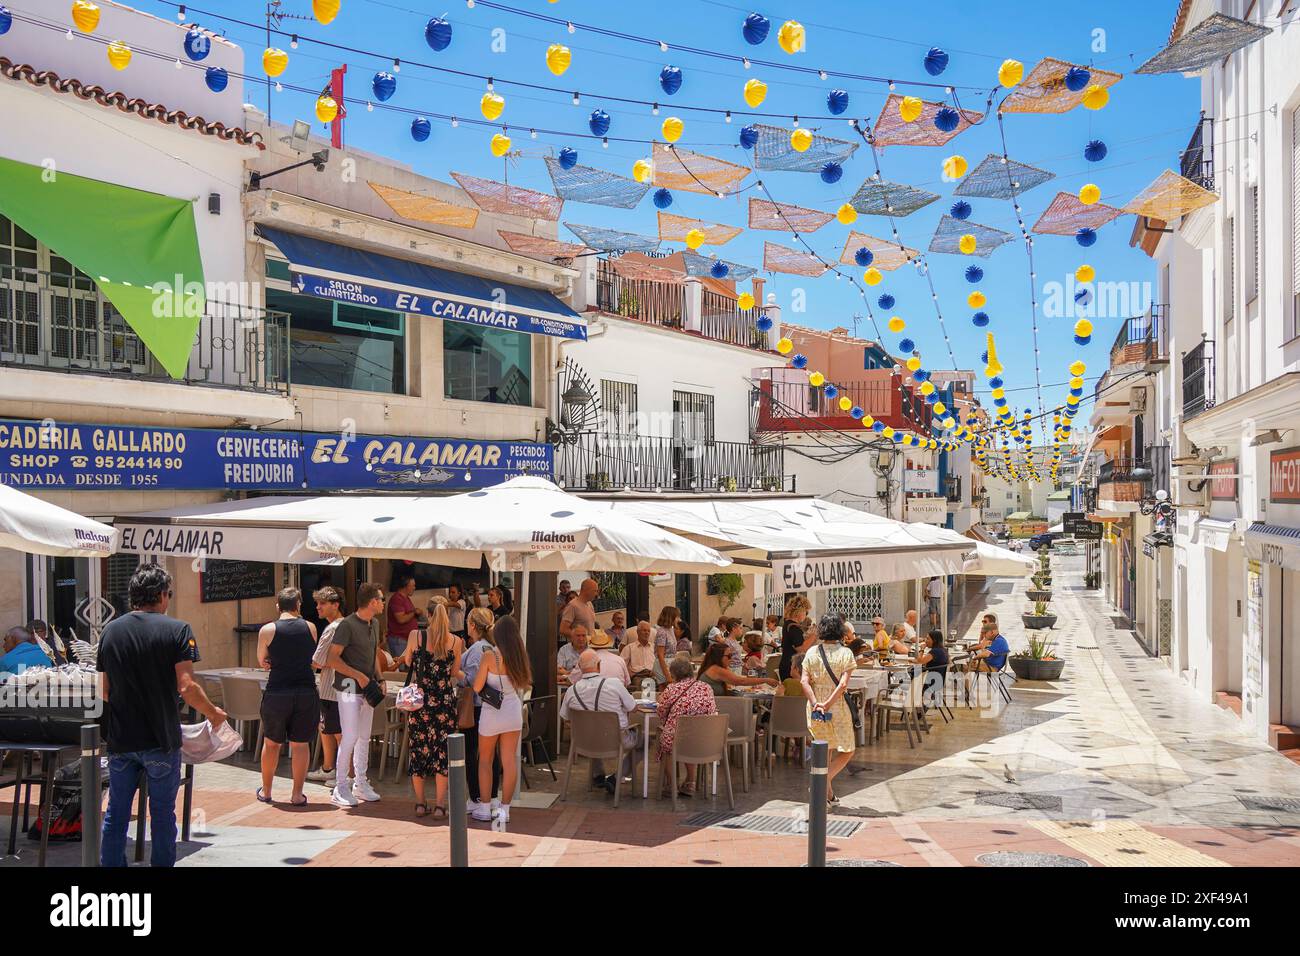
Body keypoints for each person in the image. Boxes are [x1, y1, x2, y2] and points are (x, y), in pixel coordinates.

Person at [97, 565, 225, 867]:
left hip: (122, 738)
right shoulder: (178, 629)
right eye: (169, 593)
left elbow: (104, 690)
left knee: (116, 811)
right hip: (160, 739)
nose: (169, 599)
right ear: (160, 595)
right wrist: (213, 713)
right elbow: (187, 686)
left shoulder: (110, 631)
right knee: (163, 813)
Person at [255, 588, 320, 806]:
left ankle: (266, 791)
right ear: (298, 605)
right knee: (300, 745)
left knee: (271, 743)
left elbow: (262, 661)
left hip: (277, 692)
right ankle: (297, 794)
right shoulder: (310, 627)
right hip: (305, 690)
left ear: (277, 606)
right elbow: (313, 658)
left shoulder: (267, 630)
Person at [399, 602, 463, 818]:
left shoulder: (416, 636)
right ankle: (440, 805)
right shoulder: (456, 641)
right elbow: (455, 672)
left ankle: (419, 803)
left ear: (428, 614)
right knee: (442, 753)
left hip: (420, 704)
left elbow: (408, 661)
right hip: (444, 703)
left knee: (418, 751)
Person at [328, 582, 387, 808]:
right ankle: (340, 785)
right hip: (349, 688)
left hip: (368, 688)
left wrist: (379, 678)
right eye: (381, 599)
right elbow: (333, 659)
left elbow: (373, 656)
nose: (383, 603)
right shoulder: (346, 625)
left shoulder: (374, 623)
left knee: (364, 736)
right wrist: (359, 676)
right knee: (351, 735)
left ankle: (360, 782)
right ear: (372, 602)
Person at [471, 614, 532, 825]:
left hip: (492, 711)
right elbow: (525, 682)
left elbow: (477, 687)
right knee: (509, 761)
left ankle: (485, 807)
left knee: (485, 760)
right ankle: (505, 809)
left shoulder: (490, 656)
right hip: (513, 709)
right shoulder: (519, 655)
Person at [560, 649, 641, 794]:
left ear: (579, 667)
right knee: (645, 741)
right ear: (599, 665)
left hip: (584, 742)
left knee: (592, 730)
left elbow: (565, 718)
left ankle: (598, 775)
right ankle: (616, 777)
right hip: (617, 741)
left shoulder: (571, 691)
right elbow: (633, 707)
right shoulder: (614, 684)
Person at [800, 613, 856, 804]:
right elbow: (842, 685)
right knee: (847, 749)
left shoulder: (811, 652)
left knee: (824, 749)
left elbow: (804, 681)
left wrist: (816, 702)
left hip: (815, 708)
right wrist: (828, 704)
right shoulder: (846, 654)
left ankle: (828, 797)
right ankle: (822, 781)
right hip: (837, 706)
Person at [654, 655, 717, 798]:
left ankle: (671, 784)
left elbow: (661, 711)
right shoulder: (706, 687)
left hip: (679, 739)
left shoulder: (672, 689)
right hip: (705, 738)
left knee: (666, 742)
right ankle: (691, 781)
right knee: (690, 738)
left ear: (674, 673)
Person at [460, 606, 501, 812]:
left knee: (473, 754)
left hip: (477, 708)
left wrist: (459, 676)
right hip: (494, 707)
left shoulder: (477, 650)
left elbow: (475, 681)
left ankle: (476, 797)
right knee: (490, 754)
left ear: (473, 625)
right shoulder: (493, 647)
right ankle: (492, 795)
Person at [307, 586, 344, 785]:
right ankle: (329, 768)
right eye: (317, 603)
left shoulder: (332, 629)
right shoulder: (346, 625)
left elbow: (318, 660)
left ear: (335, 605)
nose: (318, 607)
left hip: (333, 689)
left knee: (338, 733)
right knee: (327, 729)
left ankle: (345, 775)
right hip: (335, 688)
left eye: (323, 603)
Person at [696, 643, 778, 696]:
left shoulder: (713, 667)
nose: (731, 659)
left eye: (731, 655)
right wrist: (765, 680)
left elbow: (734, 680)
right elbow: (740, 681)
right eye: (728, 656)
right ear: (718, 657)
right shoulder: (717, 670)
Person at [778, 594, 812, 681]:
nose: (805, 615)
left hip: (787, 664)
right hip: (791, 667)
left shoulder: (788, 624)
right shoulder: (793, 627)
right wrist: (814, 636)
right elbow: (801, 649)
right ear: (799, 611)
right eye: (805, 612)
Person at [386, 574, 419, 658]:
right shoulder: (397, 599)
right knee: (400, 668)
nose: (414, 588)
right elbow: (401, 619)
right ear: (405, 586)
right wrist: (414, 612)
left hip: (406, 639)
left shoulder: (406, 598)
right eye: (413, 586)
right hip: (399, 641)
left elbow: (409, 615)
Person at [916, 629, 950, 709]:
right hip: (939, 680)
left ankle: (910, 708)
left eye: (928, 638)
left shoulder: (935, 652)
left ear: (934, 640)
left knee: (905, 681)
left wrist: (921, 649)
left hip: (930, 682)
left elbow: (920, 661)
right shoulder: (943, 650)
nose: (925, 640)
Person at [559, 577, 598, 643]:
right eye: (595, 591)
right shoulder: (572, 605)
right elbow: (563, 629)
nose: (596, 594)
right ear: (586, 590)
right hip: (577, 650)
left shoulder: (590, 604)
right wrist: (581, 637)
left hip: (589, 647)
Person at [620, 619, 658, 686]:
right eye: (644, 630)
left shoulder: (654, 647)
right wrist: (629, 675)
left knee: (661, 682)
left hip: (653, 674)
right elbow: (621, 665)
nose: (647, 633)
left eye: (648, 631)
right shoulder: (629, 648)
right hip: (638, 676)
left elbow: (660, 663)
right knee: (647, 684)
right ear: (638, 632)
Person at [653, 606, 679, 684]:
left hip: (671, 664)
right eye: (677, 617)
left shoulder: (670, 629)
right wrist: (667, 675)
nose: (678, 619)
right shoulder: (662, 632)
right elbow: (660, 655)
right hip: (663, 666)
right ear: (671, 617)